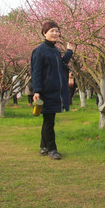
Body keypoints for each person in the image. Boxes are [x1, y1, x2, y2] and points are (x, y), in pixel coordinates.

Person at [31, 20, 75, 160]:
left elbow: (61, 64)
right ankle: (52, 149)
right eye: (52, 31)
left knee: (48, 120)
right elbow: (36, 72)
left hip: (55, 92)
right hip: (46, 92)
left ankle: (44, 147)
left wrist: (69, 52)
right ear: (44, 33)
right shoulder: (39, 51)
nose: (55, 33)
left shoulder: (55, 50)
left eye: (57, 31)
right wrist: (37, 91)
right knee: (49, 121)